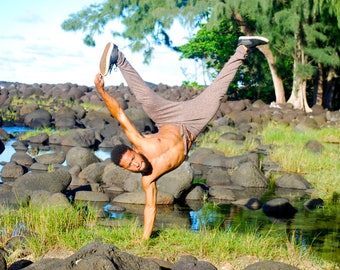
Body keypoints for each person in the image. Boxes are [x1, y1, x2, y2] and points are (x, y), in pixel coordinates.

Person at [94, 36, 269, 240]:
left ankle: (118, 56)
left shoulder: (141, 143)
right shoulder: (148, 180)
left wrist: (101, 91)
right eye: (130, 166)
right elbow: (150, 208)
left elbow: (119, 114)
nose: (135, 164)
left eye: (132, 159)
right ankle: (243, 48)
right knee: (216, 95)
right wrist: (143, 241)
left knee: (145, 97)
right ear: (126, 170)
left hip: (166, 117)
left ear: (134, 151)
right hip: (191, 127)